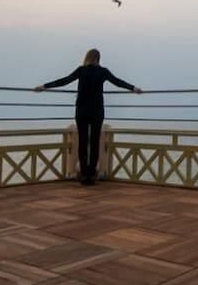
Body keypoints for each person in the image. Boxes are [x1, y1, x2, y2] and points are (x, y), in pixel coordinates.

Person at [34, 49, 142, 185]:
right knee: (95, 141)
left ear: (87, 58)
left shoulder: (81, 70)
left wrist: (44, 86)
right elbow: (117, 82)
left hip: (82, 110)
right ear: (98, 59)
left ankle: (84, 174)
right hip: (97, 110)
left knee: (83, 142)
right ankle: (92, 174)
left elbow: (64, 81)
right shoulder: (103, 72)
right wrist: (133, 88)